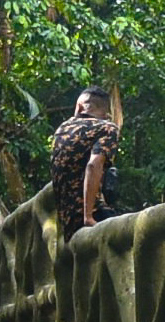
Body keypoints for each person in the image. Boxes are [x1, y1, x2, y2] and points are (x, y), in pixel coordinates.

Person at [48, 86, 121, 236]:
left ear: (80, 107)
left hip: (67, 222)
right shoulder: (107, 128)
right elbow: (93, 165)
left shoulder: (62, 129)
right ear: (106, 114)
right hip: (91, 215)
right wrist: (88, 217)